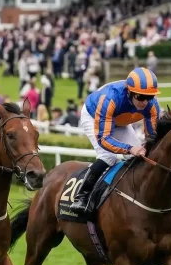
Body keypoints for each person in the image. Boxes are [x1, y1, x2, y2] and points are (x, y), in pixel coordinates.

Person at [68, 67, 160, 215]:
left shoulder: (152, 105)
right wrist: (130, 148)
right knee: (108, 156)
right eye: (140, 97)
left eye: (149, 97)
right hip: (94, 116)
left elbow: (152, 136)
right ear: (129, 92)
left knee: (141, 156)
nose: (145, 102)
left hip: (120, 121)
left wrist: (145, 147)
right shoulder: (110, 98)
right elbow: (104, 139)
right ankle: (81, 196)